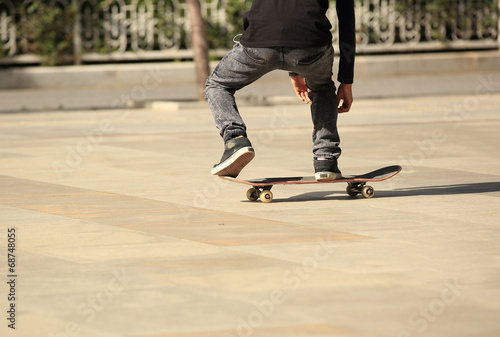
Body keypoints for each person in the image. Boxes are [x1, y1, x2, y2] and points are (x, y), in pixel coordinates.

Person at [205, 0, 356, 180]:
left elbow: (280, 14)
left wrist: (294, 72)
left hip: (260, 40)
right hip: (311, 46)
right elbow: (346, 20)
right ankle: (326, 158)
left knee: (217, 85)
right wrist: (346, 80)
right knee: (322, 88)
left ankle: (235, 140)